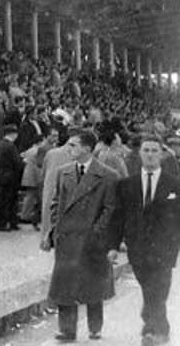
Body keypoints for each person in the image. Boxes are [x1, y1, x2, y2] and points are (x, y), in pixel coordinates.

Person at [46, 131, 118, 342]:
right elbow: (56, 202)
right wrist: (56, 227)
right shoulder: (63, 172)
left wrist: (97, 232)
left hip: (92, 239)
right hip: (67, 238)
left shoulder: (108, 175)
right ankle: (67, 330)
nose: (69, 149)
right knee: (65, 286)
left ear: (87, 148)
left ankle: (95, 327)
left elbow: (110, 209)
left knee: (93, 284)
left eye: (73, 145)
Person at [108, 136, 180, 346]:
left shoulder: (174, 184)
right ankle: (160, 326)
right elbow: (117, 217)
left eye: (154, 151)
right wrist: (113, 245)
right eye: (146, 150)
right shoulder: (126, 185)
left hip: (165, 248)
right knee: (150, 288)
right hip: (137, 247)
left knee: (159, 287)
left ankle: (152, 331)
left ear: (161, 154)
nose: (150, 154)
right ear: (139, 154)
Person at [0, 124, 23, 231]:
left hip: (3, 174)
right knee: (9, 201)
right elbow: (16, 162)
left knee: (4, 200)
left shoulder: (0, 144)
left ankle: (4, 222)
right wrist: (22, 162)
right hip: (11, 175)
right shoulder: (10, 146)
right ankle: (7, 223)